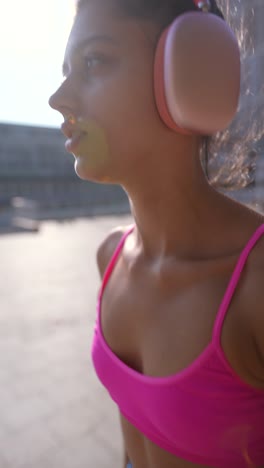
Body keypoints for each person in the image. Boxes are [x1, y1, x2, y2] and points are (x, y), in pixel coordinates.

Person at [49, 0, 264, 467]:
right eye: (66, 70)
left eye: (94, 61)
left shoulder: (254, 284)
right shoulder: (110, 257)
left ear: (187, 71)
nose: (58, 98)